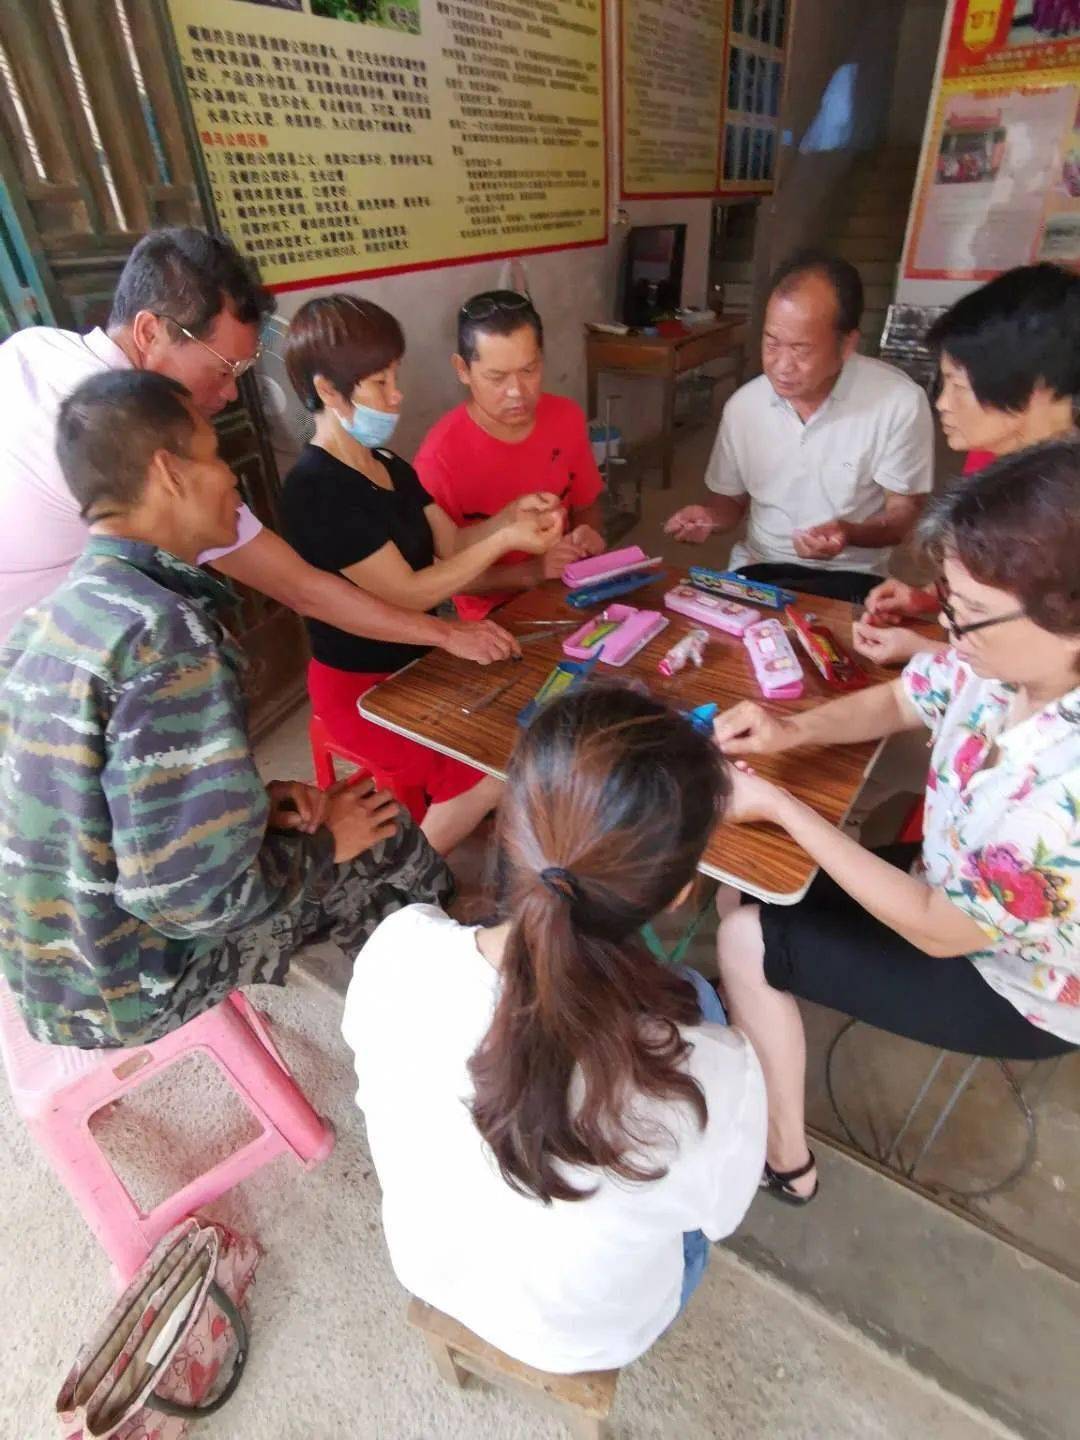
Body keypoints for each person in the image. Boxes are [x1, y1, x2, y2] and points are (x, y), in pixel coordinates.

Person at [0, 371, 453, 1048]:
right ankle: (440, 1026)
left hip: (54, 968)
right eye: (214, 456)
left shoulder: (51, 618)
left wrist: (251, 808)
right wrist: (328, 847)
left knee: (333, 819)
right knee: (380, 835)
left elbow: (100, 799)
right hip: (133, 982)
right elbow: (187, 900)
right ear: (169, 473)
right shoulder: (166, 639)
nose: (233, 479)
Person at [343, 686, 766, 1372]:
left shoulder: (396, 950)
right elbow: (719, 1217)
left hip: (428, 1269)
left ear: (507, 829)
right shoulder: (714, 1074)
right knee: (693, 999)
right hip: (591, 1338)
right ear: (683, 891)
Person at [712, 443, 1080, 1203]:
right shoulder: (997, 658)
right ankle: (758, 1027)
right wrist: (792, 732)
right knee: (746, 875)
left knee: (746, 934)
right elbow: (905, 698)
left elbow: (940, 930)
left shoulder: (1064, 790)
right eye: (948, 601)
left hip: (1011, 981)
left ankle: (786, 1163)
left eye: (968, 614)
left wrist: (784, 804)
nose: (949, 626)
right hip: (945, 875)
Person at [0, 226, 513, 667]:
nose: (228, 394)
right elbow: (300, 587)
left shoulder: (35, 347)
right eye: (221, 370)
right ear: (150, 331)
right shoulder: (129, 442)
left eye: (241, 373)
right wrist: (446, 633)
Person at [281, 295, 563, 854]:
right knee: (489, 772)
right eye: (380, 384)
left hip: (425, 660)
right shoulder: (314, 489)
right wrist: (506, 540)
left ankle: (471, 822)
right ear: (330, 391)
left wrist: (510, 517)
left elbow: (452, 543)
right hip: (362, 688)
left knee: (524, 720)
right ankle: (400, 894)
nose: (397, 396)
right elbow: (409, 592)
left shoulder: (388, 466)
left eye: (394, 378)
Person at [664, 249, 934, 604]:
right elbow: (731, 502)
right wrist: (710, 518)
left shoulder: (897, 402)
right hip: (761, 566)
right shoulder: (745, 406)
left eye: (801, 350)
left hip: (852, 575)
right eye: (771, 343)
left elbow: (903, 518)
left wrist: (847, 533)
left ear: (847, 344)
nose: (781, 366)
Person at [856, 263, 1080, 668]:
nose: (942, 404)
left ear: (1039, 387)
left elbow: (1058, 679)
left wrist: (930, 652)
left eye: (959, 386)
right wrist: (931, 596)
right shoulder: (995, 457)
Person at [414, 289, 607, 619]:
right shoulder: (438, 460)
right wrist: (532, 571)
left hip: (570, 589)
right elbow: (437, 578)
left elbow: (587, 506)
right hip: (495, 617)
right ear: (462, 369)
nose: (517, 391)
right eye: (497, 377)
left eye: (529, 370)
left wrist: (589, 538)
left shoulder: (567, 418)